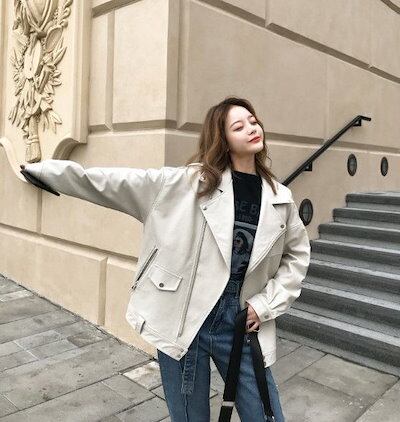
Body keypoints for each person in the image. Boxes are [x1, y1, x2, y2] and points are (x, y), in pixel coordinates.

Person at [21, 96, 311, 421]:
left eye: (253, 122)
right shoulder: (186, 184)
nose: (252, 129)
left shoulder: (279, 198)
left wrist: (265, 303)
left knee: (266, 414)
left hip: (241, 319)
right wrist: (46, 172)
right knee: (189, 417)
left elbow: (297, 256)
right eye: (238, 126)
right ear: (223, 138)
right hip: (184, 318)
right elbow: (109, 183)